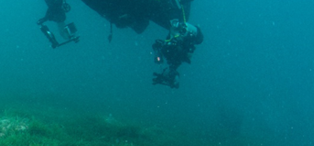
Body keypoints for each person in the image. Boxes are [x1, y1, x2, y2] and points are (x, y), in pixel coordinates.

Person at [37, 0, 202, 88]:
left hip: (138, 7)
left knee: (181, 30)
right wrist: (58, 18)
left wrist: (173, 66)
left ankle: (173, 67)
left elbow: (182, 28)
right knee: (180, 29)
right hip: (123, 11)